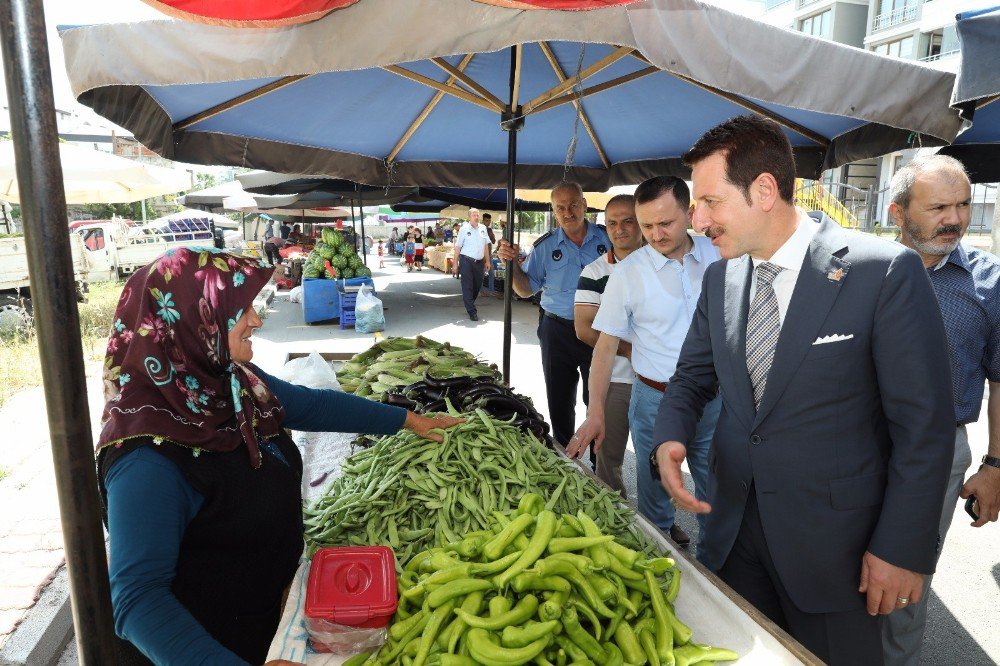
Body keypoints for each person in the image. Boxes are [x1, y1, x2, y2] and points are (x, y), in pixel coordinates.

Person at [650, 115, 954, 665]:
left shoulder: (882, 272)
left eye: (709, 202)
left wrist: (901, 549)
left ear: (764, 190)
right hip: (734, 535)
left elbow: (923, 430)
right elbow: (693, 377)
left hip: (837, 553)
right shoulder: (720, 278)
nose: (697, 221)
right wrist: (669, 437)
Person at [96, 248, 461, 666]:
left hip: (258, 621)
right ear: (189, 321)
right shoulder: (147, 458)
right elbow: (137, 600)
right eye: (239, 310)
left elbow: (314, 406)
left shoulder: (231, 385)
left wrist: (409, 420)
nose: (256, 319)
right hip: (203, 646)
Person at [881, 154, 1000, 664]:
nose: (954, 219)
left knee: (907, 576)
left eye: (963, 205)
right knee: (835, 564)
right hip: (851, 440)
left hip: (938, 454)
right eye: (938, 207)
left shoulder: (989, 283)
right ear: (898, 213)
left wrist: (994, 465)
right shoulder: (857, 269)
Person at [568, 181, 722, 550]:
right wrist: (596, 412)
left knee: (717, 495)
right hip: (655, 402)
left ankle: (719, 578)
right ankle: (660, 566)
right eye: (647, 226)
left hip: (716, 402)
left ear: (689, 213)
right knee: (655, 500)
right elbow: (604, 347)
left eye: (665, 224)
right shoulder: (628, 273)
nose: (656, 235)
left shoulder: (719, 255)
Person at [497, 182, 610, 447]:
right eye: (561, 207)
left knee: (598, 400)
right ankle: (566, 458)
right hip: (556, 331)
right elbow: (525, 290)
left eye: (573, 205)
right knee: (559, 401)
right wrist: (511, 265)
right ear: (553, 210)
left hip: (599, 330)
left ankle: (598, 462)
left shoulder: (608, 238)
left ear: (584, 204)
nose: (568, 212)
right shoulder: (545, 247)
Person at [566, 194, 642, 499]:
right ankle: (616, 515)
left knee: (661, 455)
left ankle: (662, 521)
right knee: (608, 458)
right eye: (612, 223)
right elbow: (584, 329)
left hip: (661, 381)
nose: (619, 228)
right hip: (616, 380)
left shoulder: (661, 263)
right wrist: (629, 351)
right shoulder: (594, 272)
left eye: (627, 221)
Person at [453, 208, 492, 321]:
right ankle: (472, 311)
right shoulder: (464, 229)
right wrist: (455, 264)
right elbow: (458, 247)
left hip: (479, 263)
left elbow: (485, 245)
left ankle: (469, 302)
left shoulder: (483, 228)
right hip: (466, 261)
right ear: (469, 217)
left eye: (477, 215)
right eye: (474, 215)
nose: (476, 217)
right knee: (467, 286)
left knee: (477, 286)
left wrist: (488, 261)